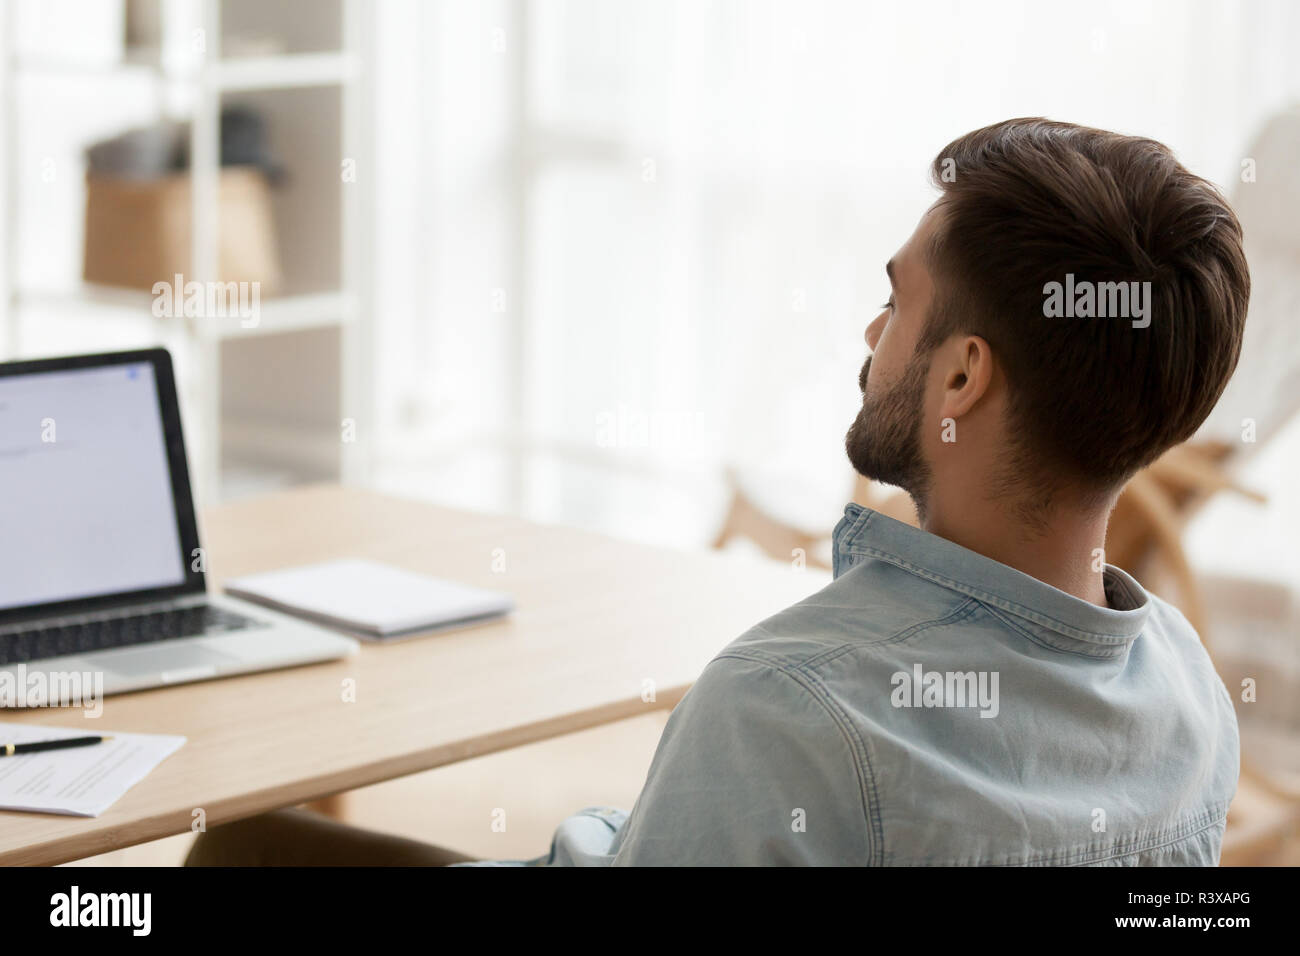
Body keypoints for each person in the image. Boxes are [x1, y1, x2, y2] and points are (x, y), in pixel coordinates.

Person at [189, 117, 1247, 867]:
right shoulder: (1192, 695)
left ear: (962, 377)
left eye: (896, 301)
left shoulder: (791, 705)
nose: (871, 335)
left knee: (243, 843)